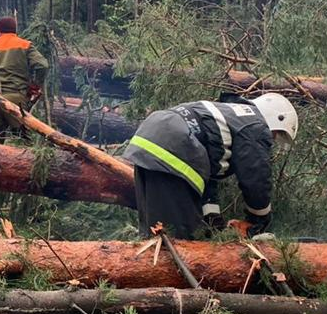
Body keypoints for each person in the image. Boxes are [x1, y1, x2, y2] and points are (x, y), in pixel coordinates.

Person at [123, 93, 298, 239]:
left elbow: (207, 179)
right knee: (180, 239)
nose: (272, 139)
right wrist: (259, 221)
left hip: (149, 138)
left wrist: (214, 222)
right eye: (275, 135)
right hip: (176, 145)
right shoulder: (255, 124)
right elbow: (256, 177)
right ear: (276, 118)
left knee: (156, 232)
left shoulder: (230, 116)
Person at [0, 16, 49, 136]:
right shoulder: (25, 45)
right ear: (15, 31)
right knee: (22, 143)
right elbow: (43, 65)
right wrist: (35, 85)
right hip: (16, 99)